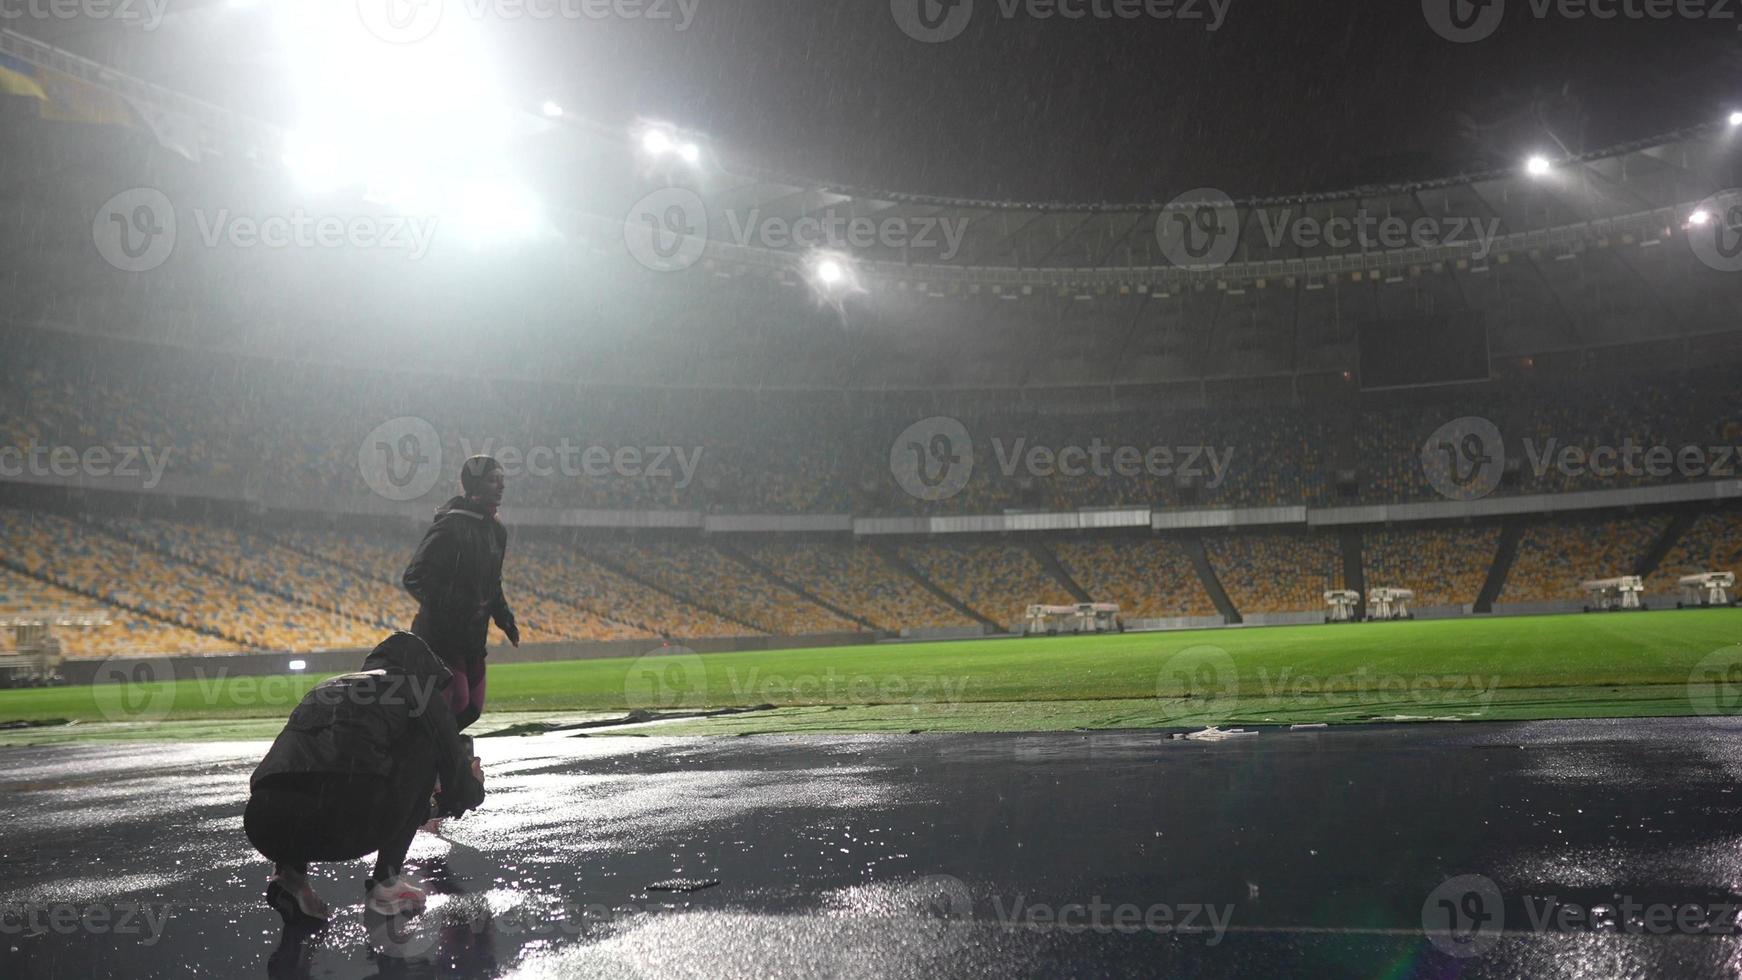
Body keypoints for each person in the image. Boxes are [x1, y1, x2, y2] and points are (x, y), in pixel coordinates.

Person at [243, 631, 486, 924]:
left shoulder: (326, 687)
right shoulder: (418, 692)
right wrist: (470, 788)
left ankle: (290, 876)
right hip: (345, 824)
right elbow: (459, 786)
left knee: (302, 767)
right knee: (424, 749)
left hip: (263, 825)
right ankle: (386, 883)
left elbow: (281, 767)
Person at [402, 455, 520, 731]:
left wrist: (505, 618)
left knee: (472, 709)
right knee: (458, 702)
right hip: (441, 634)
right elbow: (414, 576)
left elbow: (493, 582)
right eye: (493, 480)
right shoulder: (450, 525)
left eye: (502, 481)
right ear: (475, 485)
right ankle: (434, 761)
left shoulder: (497, 532)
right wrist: (453, 605)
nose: (500, 486)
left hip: (472, 636)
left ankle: (439, 754)